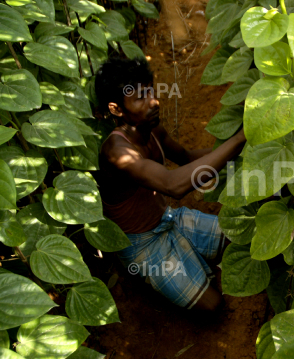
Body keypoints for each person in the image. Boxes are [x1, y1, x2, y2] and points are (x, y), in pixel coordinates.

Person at [93, 57, 246, 311]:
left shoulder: (151, 128)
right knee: (212, 306)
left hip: (169, 218)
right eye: (140, 98)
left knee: (240, 241)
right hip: (142, 244)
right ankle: (140, 272)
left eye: (150, 91)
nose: (153, 101)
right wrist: (240, 140)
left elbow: (186, 156)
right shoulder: (116, 151)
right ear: (116, 109)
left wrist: (238, 147)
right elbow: (174, 185)